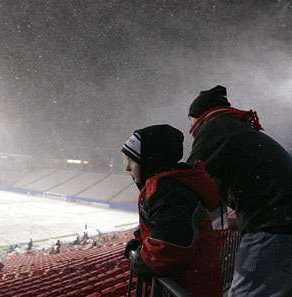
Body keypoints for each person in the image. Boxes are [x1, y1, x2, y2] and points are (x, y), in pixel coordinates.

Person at [186, 85, 292, 297]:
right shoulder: (237, 129)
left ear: (197, 117)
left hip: (273, 224)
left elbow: (190, 179)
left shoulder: (216, 128)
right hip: (281, 222)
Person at [121, 124, 222, 297]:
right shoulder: (168, 186)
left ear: (149, 161)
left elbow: (168, 247)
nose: (127, 168)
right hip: (195, 282)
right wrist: (141, 240)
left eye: (132, 160)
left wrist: (140, 258)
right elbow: (160, 226)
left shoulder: (167, 192)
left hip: (190, 287)